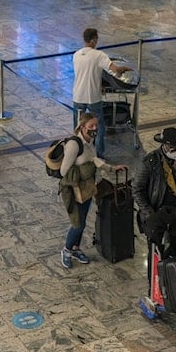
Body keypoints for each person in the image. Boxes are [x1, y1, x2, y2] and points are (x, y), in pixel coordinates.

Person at [58, 112, 127, 268]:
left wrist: (111, 168)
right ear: (82, 127)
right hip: (73, 190)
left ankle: (76, 248)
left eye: (96, 125)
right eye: (91, 126)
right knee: (78, 224)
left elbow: (93, 160)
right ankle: (66, 250)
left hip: (87, 188)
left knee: (82, 219)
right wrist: (84, 170)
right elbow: (64, 171)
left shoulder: (91, 141)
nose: (94, 128)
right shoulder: (74, 145)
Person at [132, 127, 176, 258]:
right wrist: (149, 213)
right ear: (164, 146)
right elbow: (137, 190)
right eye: (173, 148)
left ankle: (169, 265)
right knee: (155, 250)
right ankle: (154, 275)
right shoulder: (149, 162)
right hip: (157, 210)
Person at [72, 28, 133, 157]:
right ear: (94, 39)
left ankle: (77, 151)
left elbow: (86, 73)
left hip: (78, 96)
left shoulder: (76, 54)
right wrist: (124, 69)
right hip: (93, 98)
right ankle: (98, 153)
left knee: (78, 126)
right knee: (98, 127)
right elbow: (115, 69)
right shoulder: (99, 55)